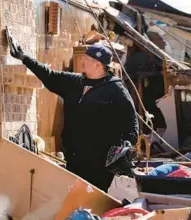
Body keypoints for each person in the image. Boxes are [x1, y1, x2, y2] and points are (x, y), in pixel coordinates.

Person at [9, 42, 139, 192]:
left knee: (94, 200)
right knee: (73, 199)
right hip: (74, 157)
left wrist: (125, 146)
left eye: (88, 59)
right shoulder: (75, 82)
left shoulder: (116, 90)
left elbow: (131, 123)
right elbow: (49, 76)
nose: (83, 61)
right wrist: (24, 58)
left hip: (100, 163)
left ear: (98, 65)